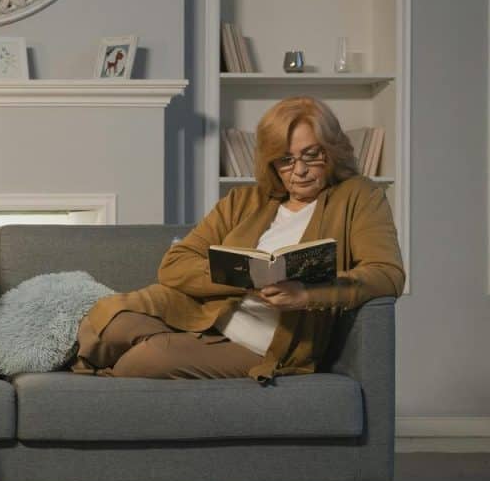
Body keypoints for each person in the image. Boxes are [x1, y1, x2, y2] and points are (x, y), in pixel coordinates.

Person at [72, 96, 405, 383]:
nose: (299, 170)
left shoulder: (358, 196)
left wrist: (307, 294)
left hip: (262, 344)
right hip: (207, 314)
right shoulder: (245, 200)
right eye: (286, 160)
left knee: (144, 360)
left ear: (331, 152)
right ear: (272, 164)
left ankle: (140, 360)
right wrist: (245, 279)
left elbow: (387, 274)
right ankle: (171, 346)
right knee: (107, 323)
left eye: (311, 155)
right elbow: (174, 265)